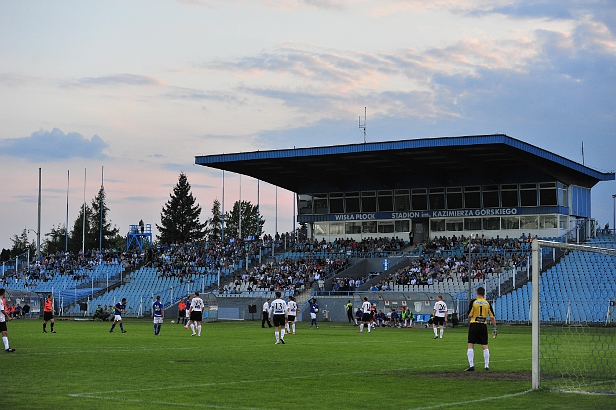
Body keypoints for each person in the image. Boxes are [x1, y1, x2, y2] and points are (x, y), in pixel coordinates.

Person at [465, 287, 497, 371]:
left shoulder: (473, 302)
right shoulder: (487, 303)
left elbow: (469, 315)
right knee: (485, 345)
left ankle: (471, 365)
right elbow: (492, 318)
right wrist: (495, 327)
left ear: (477, 293)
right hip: (483, 326)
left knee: (471, 344)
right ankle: (486, 366)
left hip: (474, 325)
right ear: (484, 293)